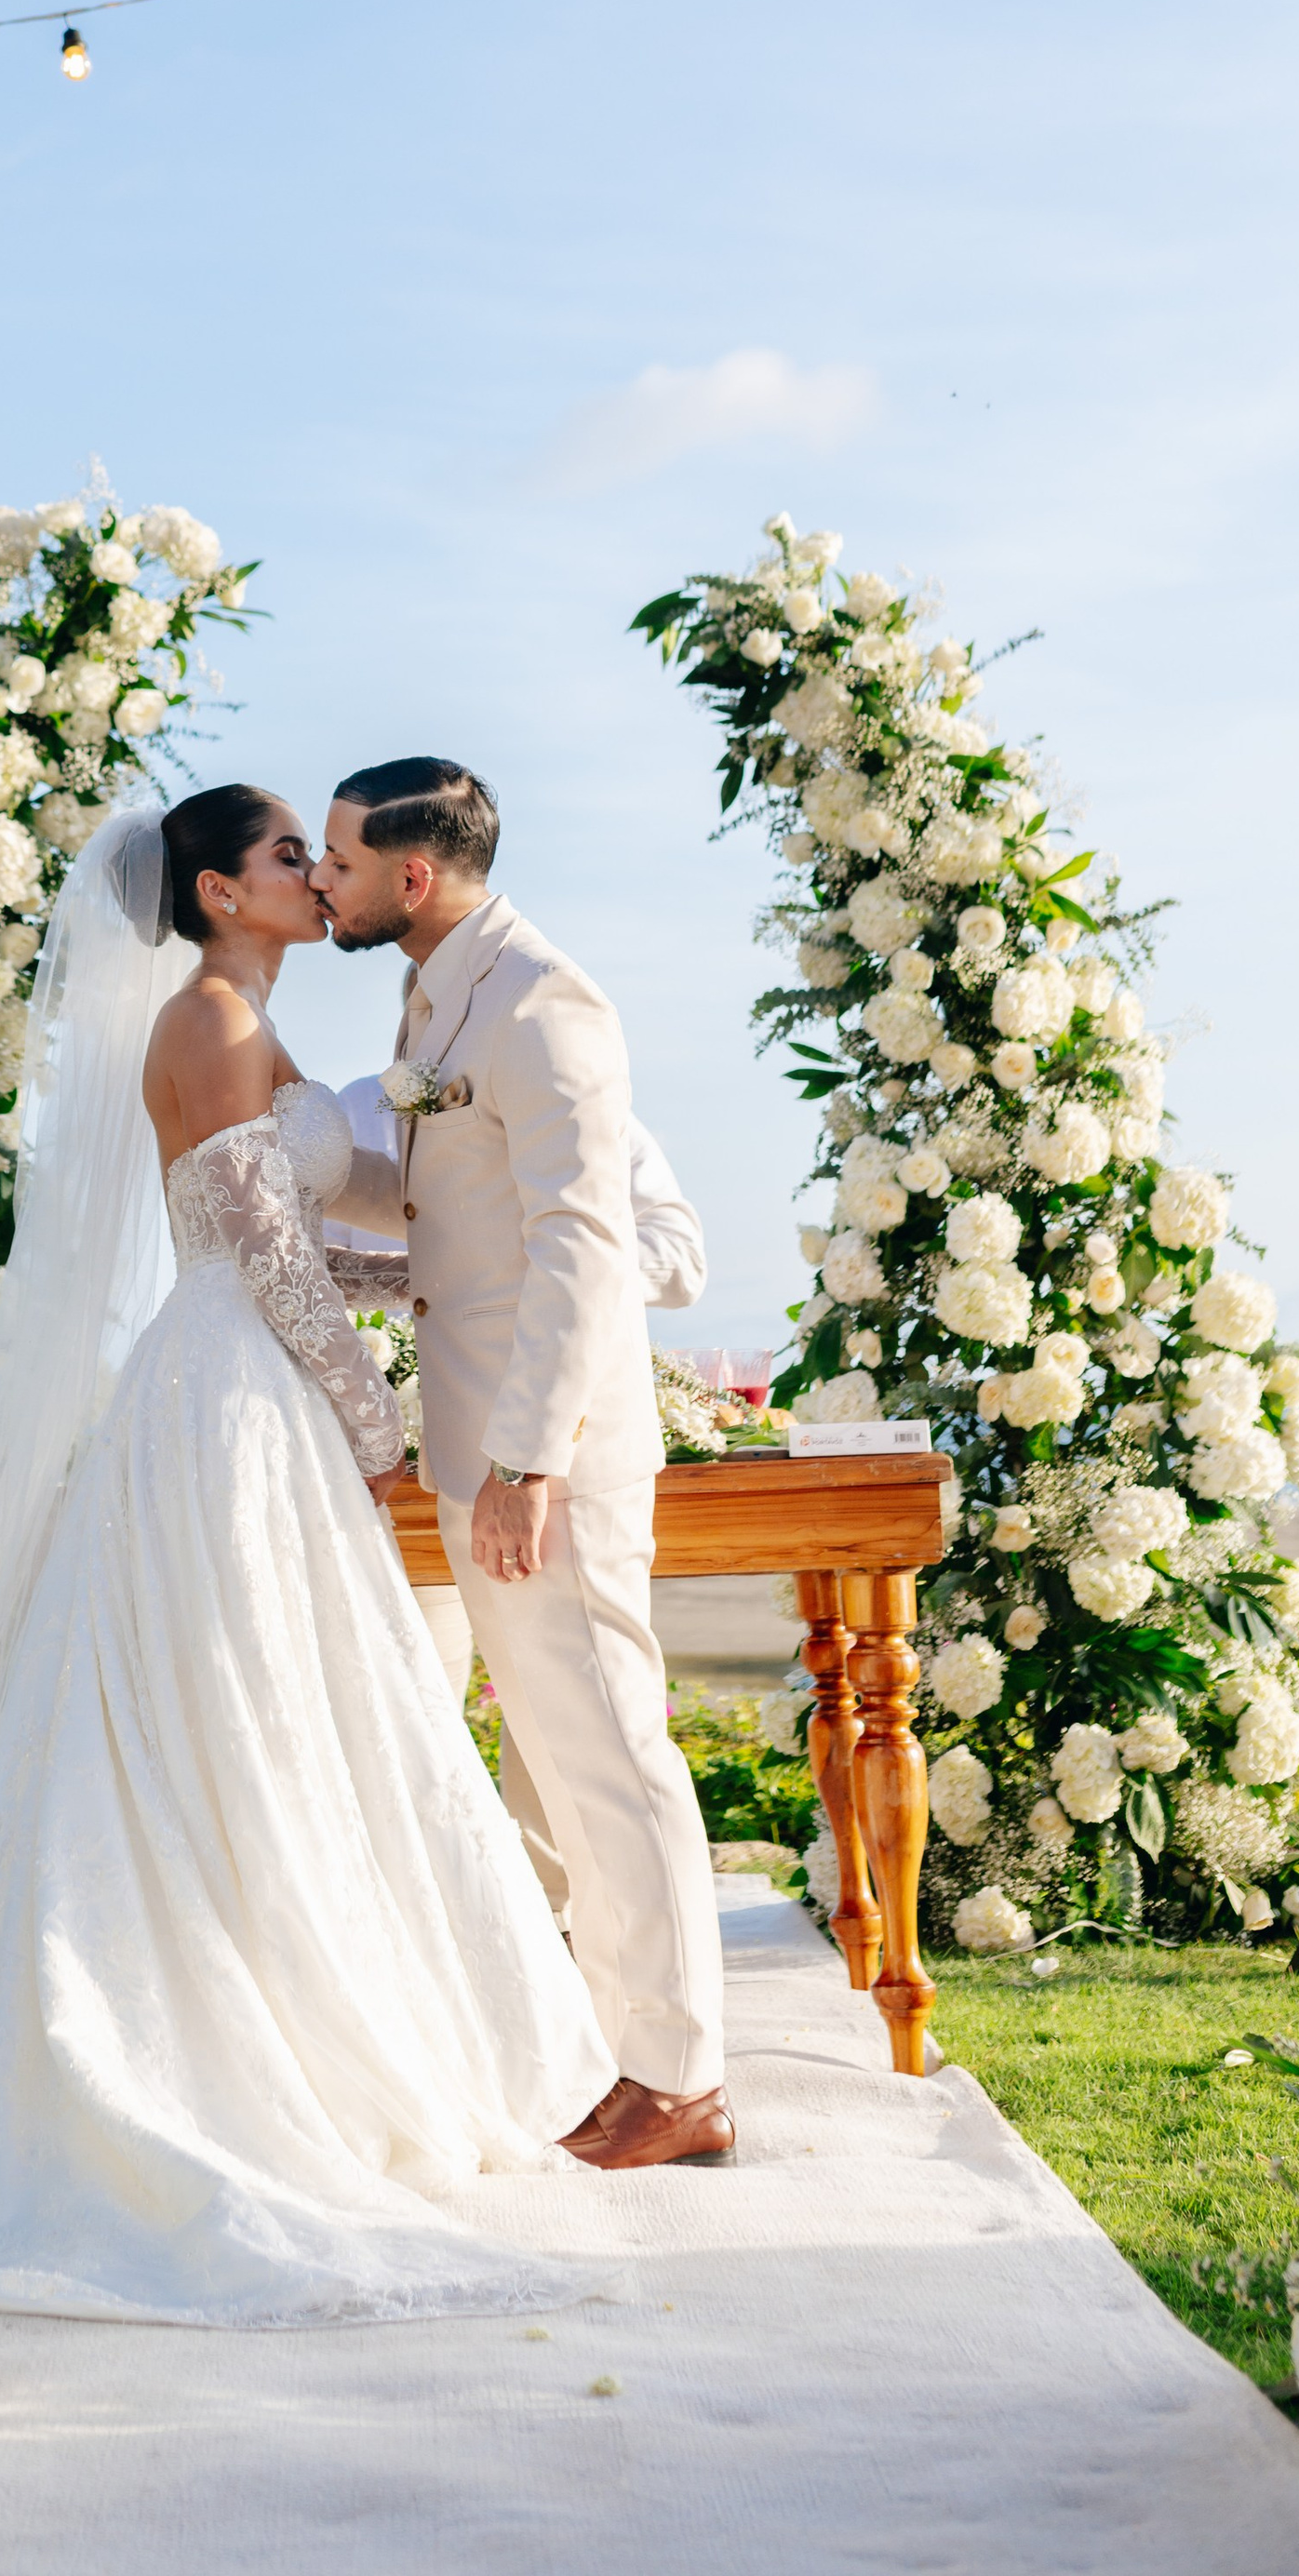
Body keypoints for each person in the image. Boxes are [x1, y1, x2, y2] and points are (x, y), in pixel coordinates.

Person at [0, 788, 623, 2326]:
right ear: (220, 891)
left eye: (323, 855)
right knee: (245, 1716)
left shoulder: (240, 1020)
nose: (317, 876)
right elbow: (269, 1258)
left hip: (243, 1383)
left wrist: (457, 1274)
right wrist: (380, 1434)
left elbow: (320, 1234)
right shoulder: (216, 1025)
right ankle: (235, 2038)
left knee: (275, 1715)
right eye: (288, 858)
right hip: (239, 1400)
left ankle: (299, 2006)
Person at [315, 758, 730, 2171]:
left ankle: (683, 2081)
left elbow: (583, 1240)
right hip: (478, 1432)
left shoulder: (548, 1000)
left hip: (546, 1449)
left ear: (411, 878)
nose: (326, 883)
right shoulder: (442, 994)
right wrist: (303, 1164)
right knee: (562, 1753)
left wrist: (530, 1461)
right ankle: (637, 2060)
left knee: (609, 1753)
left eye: (343, 864)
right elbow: (456, 1203)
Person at [325, 1076, 706, 1926]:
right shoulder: (351, 1113)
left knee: (557, 1713)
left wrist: (541, 1271)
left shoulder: (575, 1108)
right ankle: (411, 1925)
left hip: (542, 1460)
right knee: (401, 1703)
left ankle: (555, 1924)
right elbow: (293, 1263)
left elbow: (680, 1258)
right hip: (375, 1464)